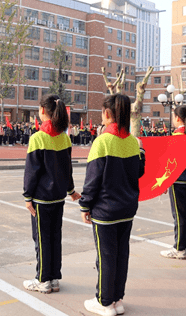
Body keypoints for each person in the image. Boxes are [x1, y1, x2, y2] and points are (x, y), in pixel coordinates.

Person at [79, 94, 145, 316]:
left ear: (107, 114)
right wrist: (142, 152)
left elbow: (93, 178)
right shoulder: (132, 142)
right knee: (120, 255)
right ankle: (117, 299)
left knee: (106, 257)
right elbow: (139, 173)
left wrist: (85, 205)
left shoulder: (103, 141)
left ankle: (104, 302)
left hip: (106, 210)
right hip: (127, 209)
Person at [22, 94, 80, 294]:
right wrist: (71, 191)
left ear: (42, 112)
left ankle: (42, 279)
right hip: (58, 197)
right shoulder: (64, 137)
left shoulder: (37, 137)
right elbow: (67, 169)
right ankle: (54, 277)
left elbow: (32, 171)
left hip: (41, 199)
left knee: (41, 238)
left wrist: (27, 197)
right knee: (55, 237)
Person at [160, 105, 186, 260]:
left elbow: (170, 161)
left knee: (179, 216)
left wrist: (164, 181)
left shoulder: (177, 136)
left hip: (178, 180)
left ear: (177, 118)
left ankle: (179, 248)